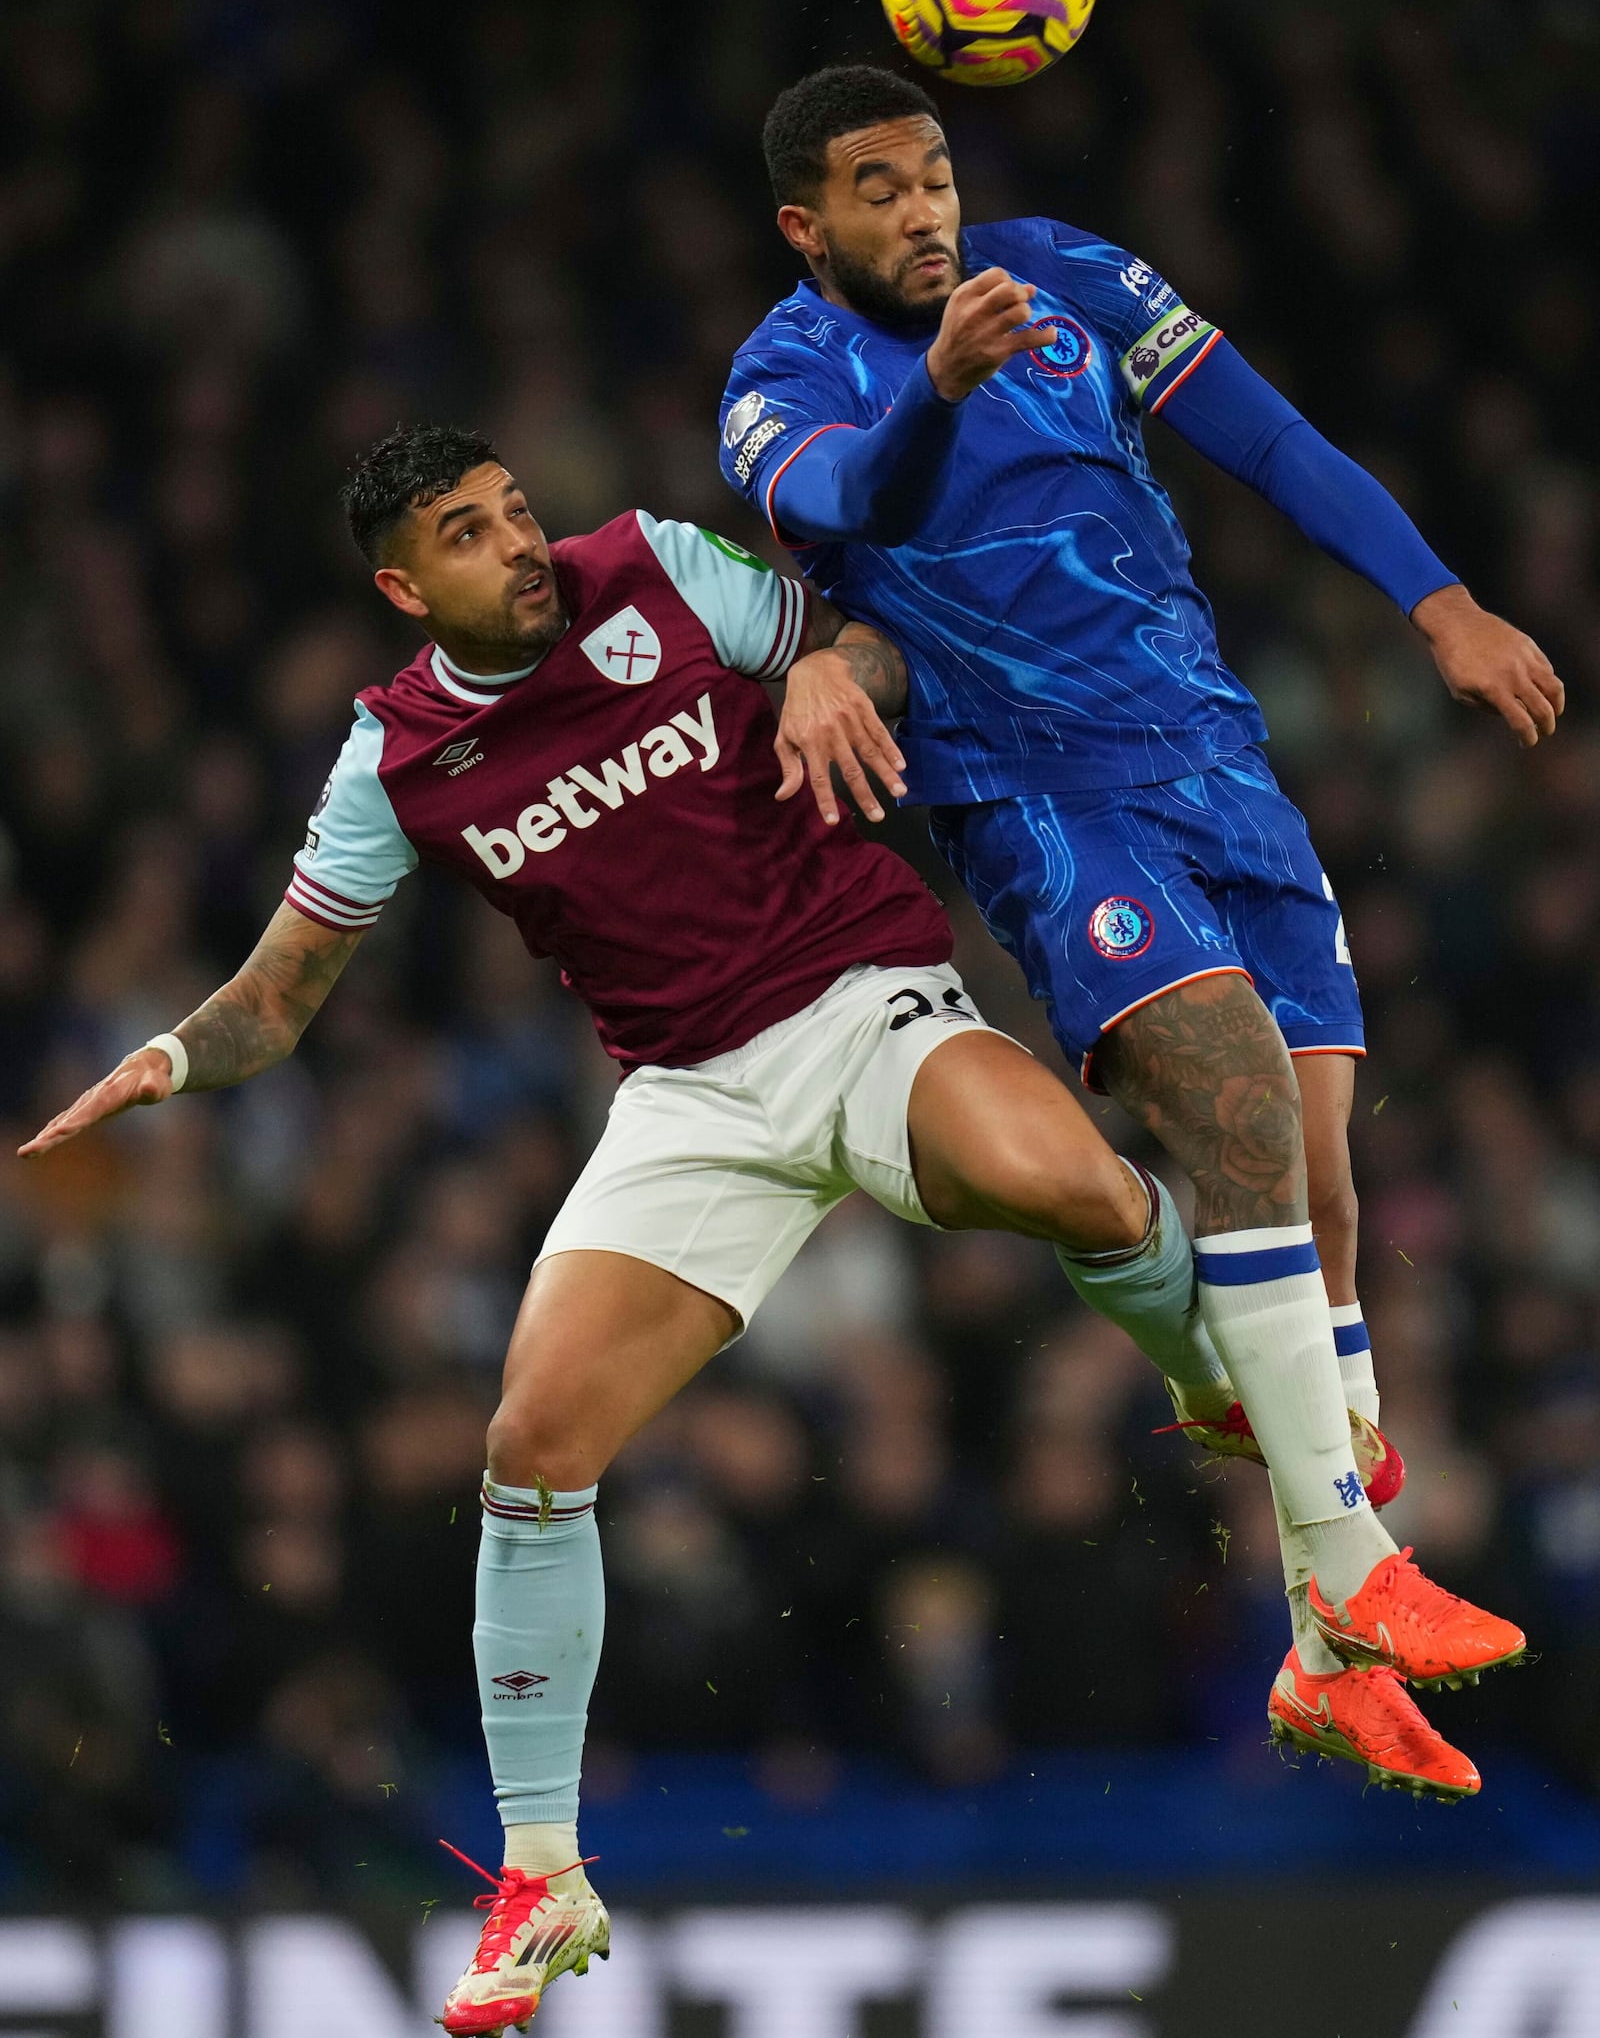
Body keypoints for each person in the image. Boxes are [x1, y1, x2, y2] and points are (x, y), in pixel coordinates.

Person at [23, 426, 1504, 2025]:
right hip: (689, 1102)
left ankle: (1268, 1479)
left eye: (518, 509)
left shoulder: (658, 568)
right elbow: (279, 998)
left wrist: (827, 670)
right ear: (406, 585)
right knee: (531, 1436)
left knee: (1082, 1183)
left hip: (864, 1001)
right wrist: (172, 1057)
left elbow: (871, 636)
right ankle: (544, 1875)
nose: (522, 542)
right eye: (471, 533)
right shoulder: (396, 759)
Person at [717, 63, 1550, 1790]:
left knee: (1318, 1184)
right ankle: (1359, 1567)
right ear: (806, 224)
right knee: (1233, 1097)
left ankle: (1323, 1659)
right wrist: (939, 390)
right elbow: (852, 508)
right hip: (1035, 789)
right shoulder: (782, 378)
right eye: (877, 188)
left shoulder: (1072, 275)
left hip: (1214, 756)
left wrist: (1441, 601)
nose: (924, 210)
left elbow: (1269, 437)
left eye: (933, 172)